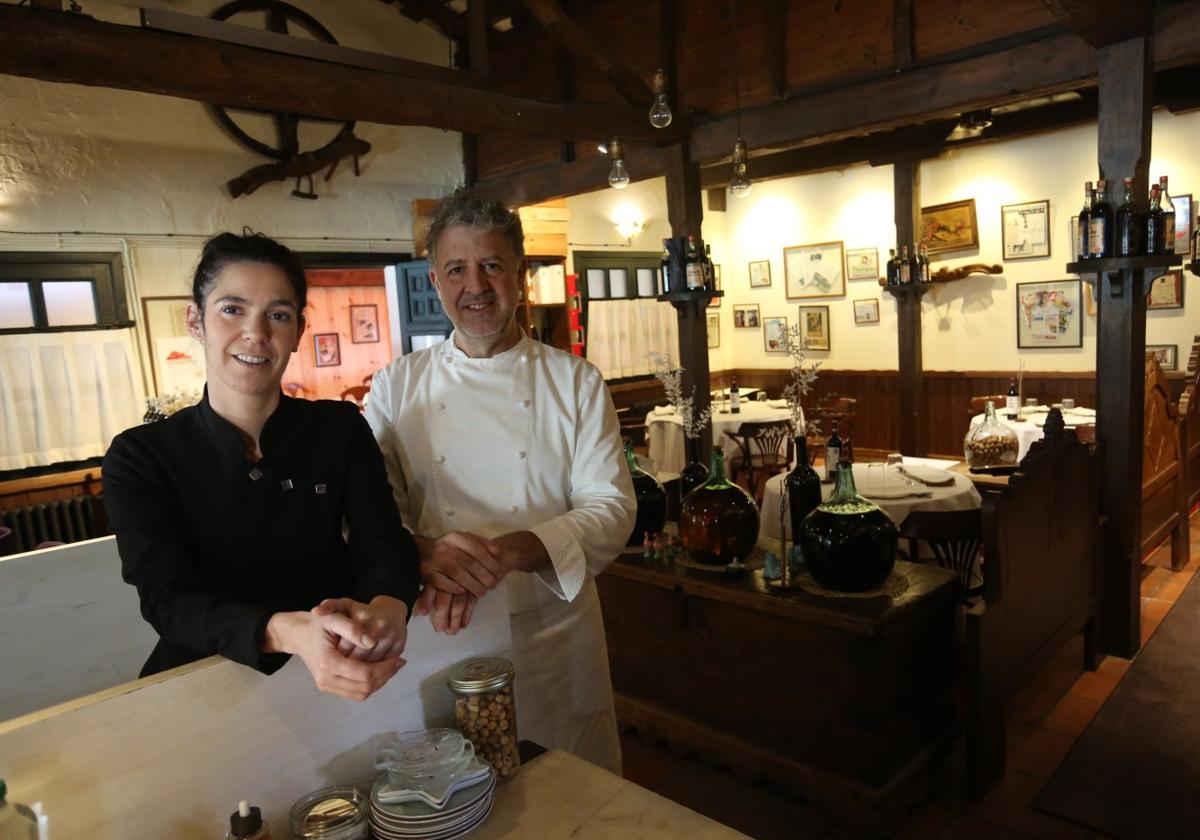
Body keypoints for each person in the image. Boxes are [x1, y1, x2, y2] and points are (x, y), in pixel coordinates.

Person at [365, 189, 636, 772]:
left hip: (553, 629)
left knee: (572, 785)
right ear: (435, 281)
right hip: (446, 627)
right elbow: (367, 511)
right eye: (457, 270)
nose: (476, 287)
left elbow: (611, 507)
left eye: (491, 266)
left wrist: (514, 550)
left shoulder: (576, 382)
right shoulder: (395, 388)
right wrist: (425, 552)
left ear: (520, 276)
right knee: (460, 788)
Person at [104, 232, 420, 701]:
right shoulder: (141, 456)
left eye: (277, 314)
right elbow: (167, 601)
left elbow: (383, 542)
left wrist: (390, 604)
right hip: (209, 680)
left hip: (342, 664)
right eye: (232, 309)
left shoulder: (338, 428)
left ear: (298, 331)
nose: (256, 333)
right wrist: (287, 632)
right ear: (196, 321)